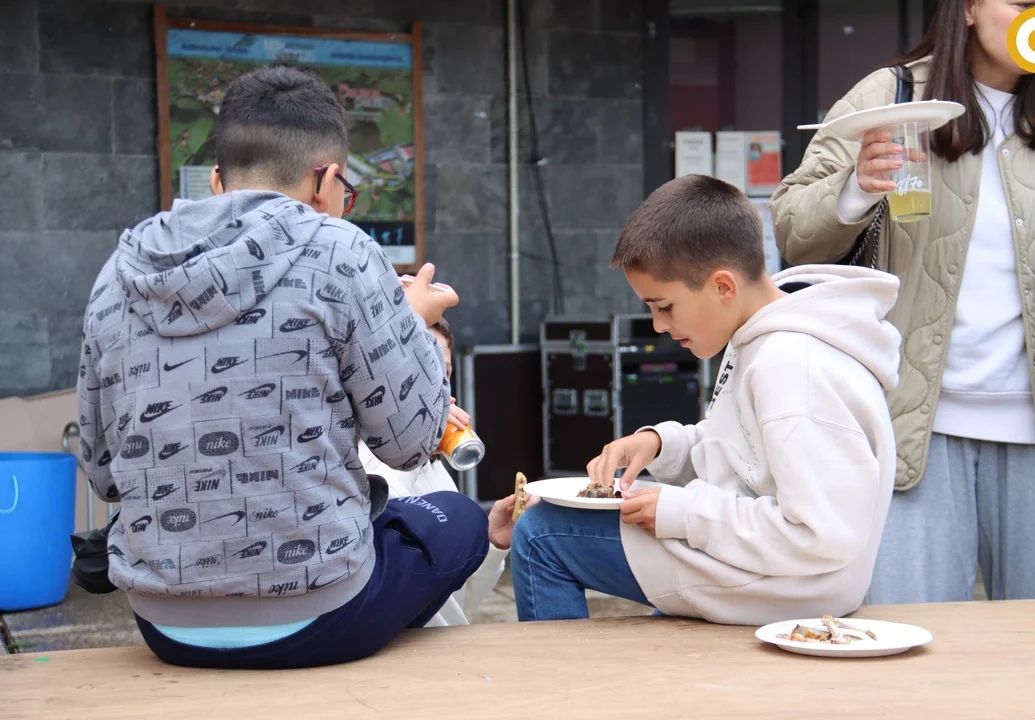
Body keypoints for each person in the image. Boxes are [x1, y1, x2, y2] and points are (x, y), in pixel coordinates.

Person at [75, 63, 491, 669]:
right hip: (321, 618)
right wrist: (409, 326)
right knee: (458, 519)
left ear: (218, 180)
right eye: (345, 190)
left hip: (165, 624)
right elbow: (411, 443)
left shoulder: (118, 273)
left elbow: (104, 475)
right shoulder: (343, 252)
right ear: (326, 179)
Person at [770, 0, 1035, 604]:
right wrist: (855, 187)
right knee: (914, 639)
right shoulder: (890, 97)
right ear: (969, 9)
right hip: (911, 429)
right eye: (1023, 3)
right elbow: (792, 228)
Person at [512, 175, 902, 625]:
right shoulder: (760, 335)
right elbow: (747, 455)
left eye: (665, 306)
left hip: (789, 587)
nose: (658, 325)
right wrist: (662, 446)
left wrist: (683, 513)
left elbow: (823, 534)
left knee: (540, 535)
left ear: (723, 287)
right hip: (763, 567)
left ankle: (559, 675)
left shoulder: (793, 365)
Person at [359, 319, 535, 626]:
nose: (438, 388)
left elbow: (458, 601)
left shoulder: (434, 469)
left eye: (444, 373)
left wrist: (493, 544)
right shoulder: (363, 469)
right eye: (420, 370)